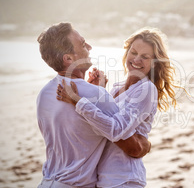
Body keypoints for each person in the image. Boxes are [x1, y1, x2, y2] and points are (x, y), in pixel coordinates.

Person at [57, 27, 182, 187]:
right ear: (126, 51)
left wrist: (78, 101)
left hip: (124, 178)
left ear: (154, 63)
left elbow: (116, 130)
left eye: (145, 57)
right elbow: (102, 125)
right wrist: (98, 91)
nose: (137, 60)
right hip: (103, 177)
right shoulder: (116, 87)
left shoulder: (146, 89)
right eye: (134, 52)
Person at [36, 22, 151, 188]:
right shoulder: (95, 95)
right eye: (83, 44)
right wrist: (147, 145)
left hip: (47, 182)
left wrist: (95, 91)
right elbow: (132, 148)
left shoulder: (44, 93)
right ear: (69, 58)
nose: (89, 47)